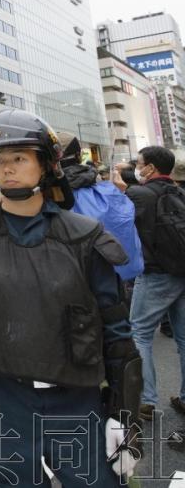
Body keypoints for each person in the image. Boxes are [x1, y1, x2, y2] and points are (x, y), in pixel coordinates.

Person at [0, 110, 142, 486]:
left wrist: (122, 413)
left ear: (46, 164)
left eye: (19, 157)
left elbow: (117, 329)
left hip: (77, 398)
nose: (8, 168)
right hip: (5, 397)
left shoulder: (83, 235)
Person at [122, 146, 185, 420]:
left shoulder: (139, 194)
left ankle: (146, 401)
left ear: (150, 168)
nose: (137, 167)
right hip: (182, 271)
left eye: (139, 163)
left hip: (156, 272)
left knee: (140, 333)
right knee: (184, 339)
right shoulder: (179, 192)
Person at [58, 133, 144, 283]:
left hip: (68, 285)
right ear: (79, 156)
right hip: (115, 279)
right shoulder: (109, 192)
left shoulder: (42, 196)